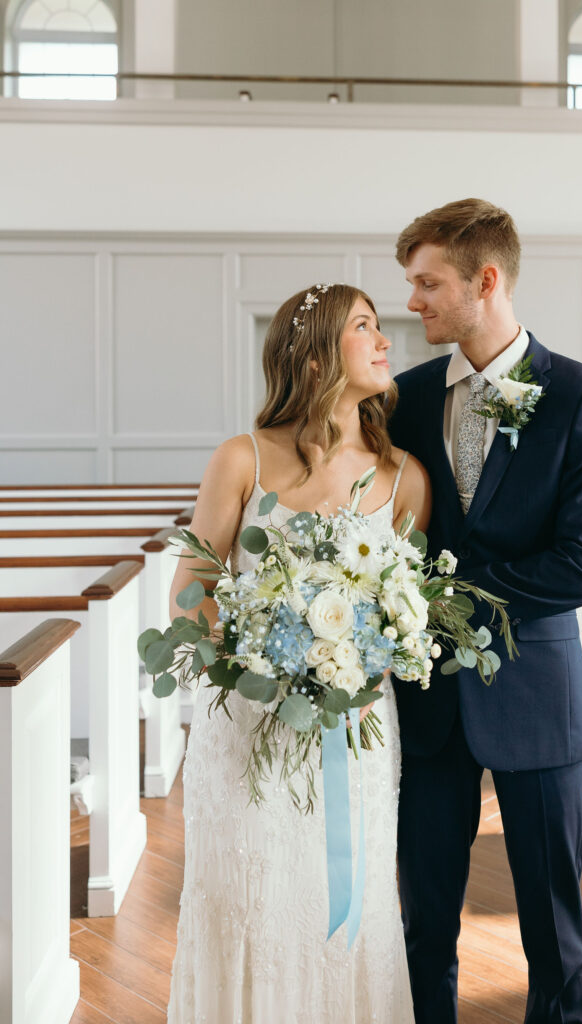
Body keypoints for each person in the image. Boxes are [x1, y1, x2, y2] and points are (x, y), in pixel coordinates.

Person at [166, 283, 429, 1023]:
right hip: (249, 726)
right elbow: (190, 595)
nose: (385, 341)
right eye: (365, 327)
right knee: (248, 898)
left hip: (358, 728)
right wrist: (263, 657)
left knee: (348, 900)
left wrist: (359, 652)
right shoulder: (240, 458)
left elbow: (408, 605)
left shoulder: (403, 477)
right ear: (314, 359)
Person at [389, 199, 582, 1024]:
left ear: (484, 281)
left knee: (552, 931)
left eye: (427, 283)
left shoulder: (579, 396)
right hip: (428, 703)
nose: (411, 302)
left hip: (535, 697)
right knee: (421, 926)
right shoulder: (404, 399)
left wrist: (445, 597)